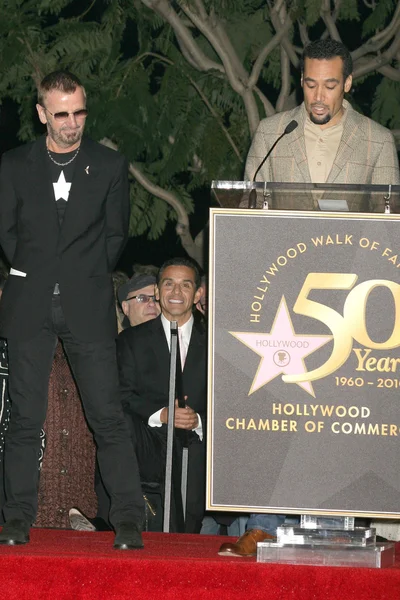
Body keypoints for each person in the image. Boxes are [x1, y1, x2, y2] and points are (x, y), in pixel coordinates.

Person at [220, 38, 400, 558]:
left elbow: (388, 231)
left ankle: (353, 520)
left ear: (348, 83)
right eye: (309, 83)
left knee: (343, 416)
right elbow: (245, 212)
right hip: (282, 300)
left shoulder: (376, 140)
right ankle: (261, 523)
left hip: (351, 308)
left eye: (329, 85)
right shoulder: (274, 131)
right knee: (274, 410)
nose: (317, 96)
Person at [0, 70, 144, 549]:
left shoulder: (108, 164)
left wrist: (78, 278)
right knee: (24, 418)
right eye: (61, 114)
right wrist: (43, 274)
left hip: (87, 306)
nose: (72, 123)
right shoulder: (15, 164)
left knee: (108, 415)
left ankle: (126, 519)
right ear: (42, 114)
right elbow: (8, 234)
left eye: (79, 112)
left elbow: (115, 235)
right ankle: (17, 518)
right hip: (29, 305)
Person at [117, 257, 207, 533]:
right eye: (169, 284)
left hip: (199, 454)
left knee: (189, 536)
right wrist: (162, 413)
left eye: (185, 285)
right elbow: (121, 394)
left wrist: (199, 421)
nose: (176, 293)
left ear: (198, 294)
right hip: (149, 455)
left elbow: (234, 399)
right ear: (157, 291)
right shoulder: (131, 340)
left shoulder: (217, 341)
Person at [69, 273, 161, 531]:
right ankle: (105, 519)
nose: (152, 304)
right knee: (114, 425)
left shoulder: (175, 342)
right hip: (127, 432)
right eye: (143, 298)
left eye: (156, 298)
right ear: (124, 307)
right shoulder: (109, 348)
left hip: (166, 437)